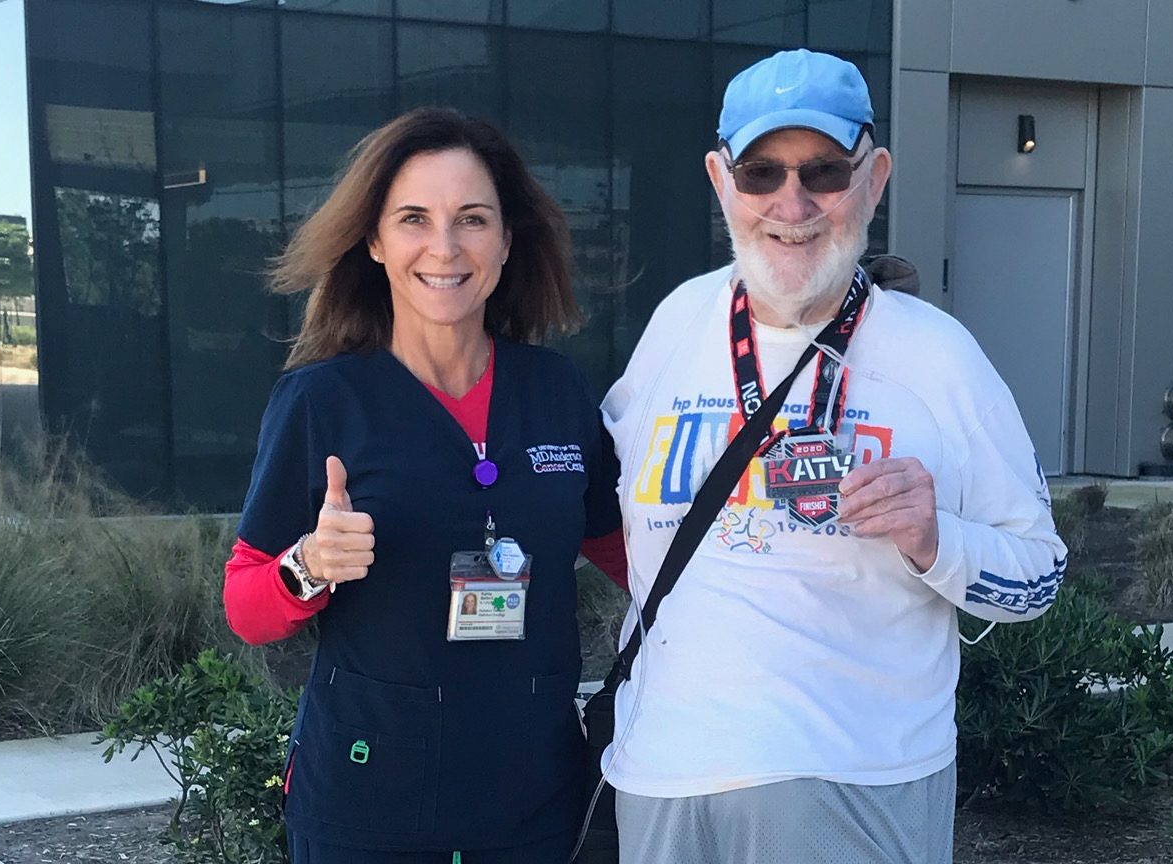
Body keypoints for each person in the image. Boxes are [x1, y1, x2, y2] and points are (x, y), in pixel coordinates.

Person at [600, 49, 1068, 864]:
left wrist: (934, 539)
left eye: (823, 171)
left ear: (873, 177)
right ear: (720, 180)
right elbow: (604, 506)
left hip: (854, 779)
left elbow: (1039, 575)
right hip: (662, 777)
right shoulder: (677, 323)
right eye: (760, 172)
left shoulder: (937, 358)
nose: (792, 203)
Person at [222, 107, 627, 864]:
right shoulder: (322, 402)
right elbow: (247, 606)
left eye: (472, 219)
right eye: (414, 218)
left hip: (533, 799)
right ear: (374, 240)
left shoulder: (558, 394)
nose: (444, 247)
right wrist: (310, 564)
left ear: (507, 240)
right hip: (369, 805)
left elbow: (640, 560)